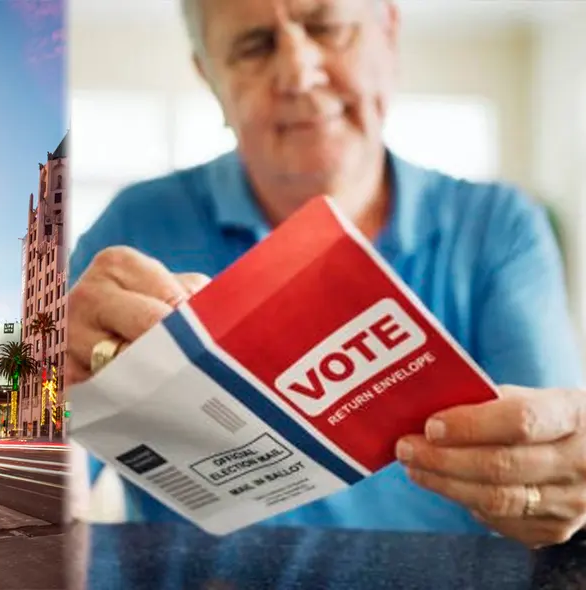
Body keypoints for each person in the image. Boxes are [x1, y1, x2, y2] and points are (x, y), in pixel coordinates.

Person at [67, 0, 586, 548]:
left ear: (388, 35)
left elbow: (554, 470)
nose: (298, 72)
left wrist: (558, 486)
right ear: (209, 76)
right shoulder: (132, 229)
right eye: (254, 45)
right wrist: (49, 394)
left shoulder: (498, 227)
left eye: (327, 28)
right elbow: (43, 505)